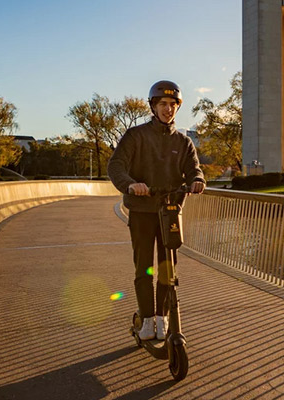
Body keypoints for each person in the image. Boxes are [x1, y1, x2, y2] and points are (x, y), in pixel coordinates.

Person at [108, 80, 206, 341]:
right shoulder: (135, 137)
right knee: (143, 268)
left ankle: (163, 319)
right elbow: (116, 167)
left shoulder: (183, 142)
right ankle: (147, 320)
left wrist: (198, 180)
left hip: (170, 212)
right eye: (163, 104)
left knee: (167, 268)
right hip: (141, 211)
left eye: (173, 104)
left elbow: (194, 168)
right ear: (153, 106)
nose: (168, 109)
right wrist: (131, 185)